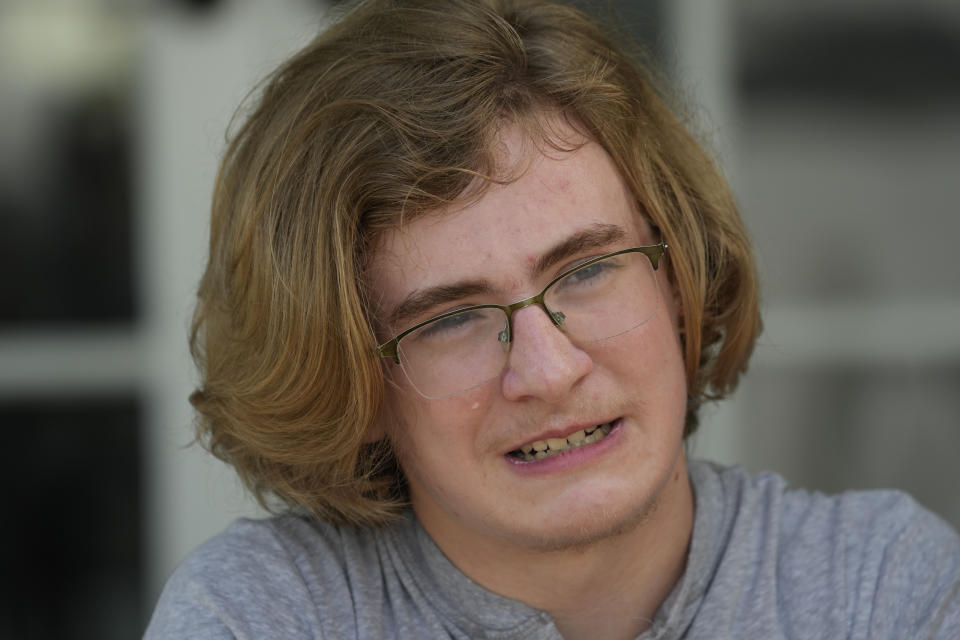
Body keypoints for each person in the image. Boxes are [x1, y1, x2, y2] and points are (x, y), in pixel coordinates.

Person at [144, 0, 960, 638]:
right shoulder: (265, 618)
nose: (550, 367)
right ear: (350, 388)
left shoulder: (880, 590)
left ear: (679, 277)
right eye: (449, 320)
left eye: (590, 270)